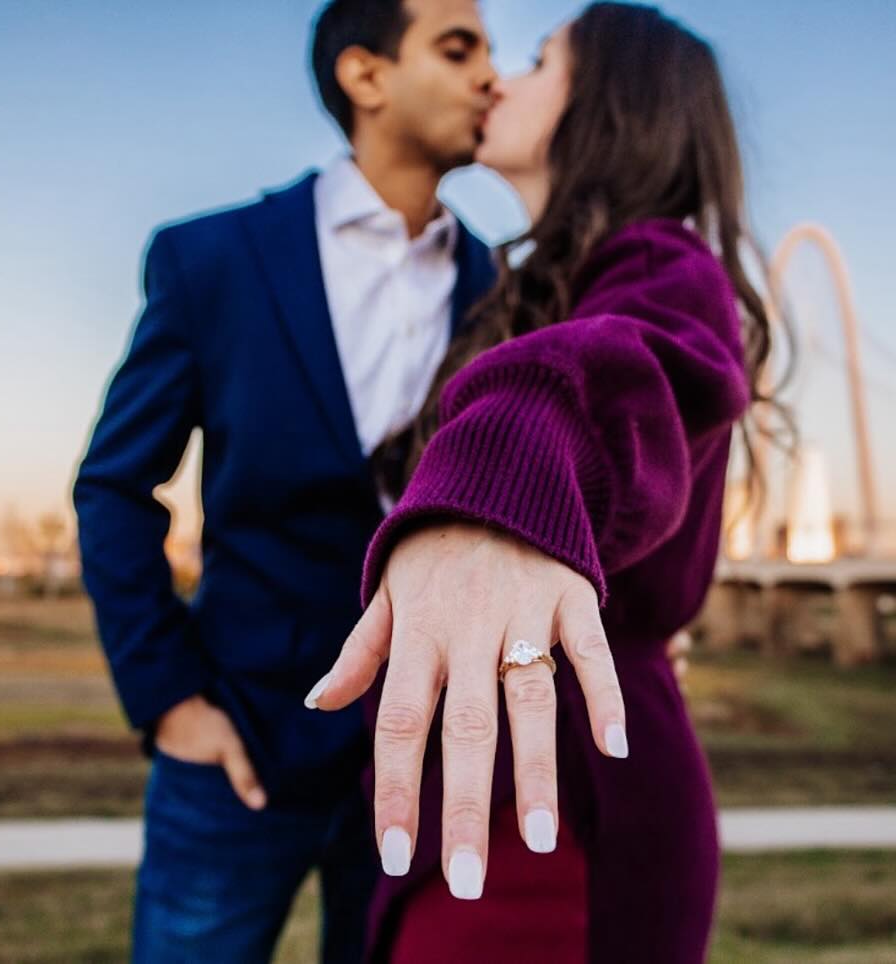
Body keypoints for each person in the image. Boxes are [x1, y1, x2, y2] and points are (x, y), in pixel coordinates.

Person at [308, 4, 782, 961]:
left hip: (560, 815)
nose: (498, 80)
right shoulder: (525, 285)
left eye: (534, 60)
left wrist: (499, 489)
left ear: (609, 102)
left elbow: (618, 370)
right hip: (503, 792)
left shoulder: (664, 265)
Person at [72, 1, 497, 960]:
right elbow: (113, 488)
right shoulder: (213, 259)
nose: (490, 78)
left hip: (420, 763)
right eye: (458, 48)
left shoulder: (503, 288)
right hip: (237, 745)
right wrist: (170, 701)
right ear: (366, 75)